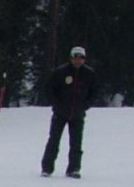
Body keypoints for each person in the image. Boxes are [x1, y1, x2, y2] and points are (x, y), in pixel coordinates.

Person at [41, 46, 98, 178]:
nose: (78, 60)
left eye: (80, 58)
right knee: (54, 140)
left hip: (78, 114)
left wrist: (85, 105)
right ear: (71, 58)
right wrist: (56, 104)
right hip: (60, 113)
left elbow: (94, 92)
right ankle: (47, 168)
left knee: (76, 143)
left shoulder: (89, 74)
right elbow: (49, 88)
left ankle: (74, 168)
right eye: (75, 58)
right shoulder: (61, 72)